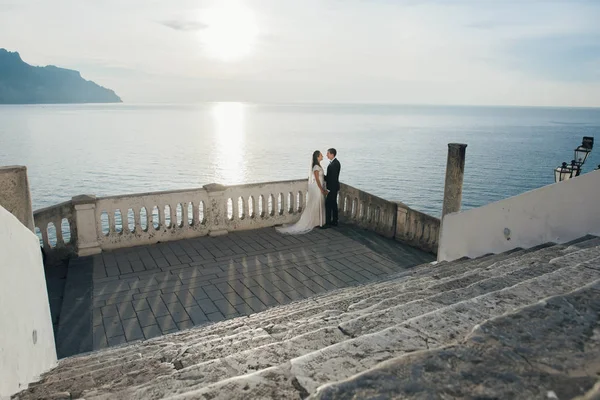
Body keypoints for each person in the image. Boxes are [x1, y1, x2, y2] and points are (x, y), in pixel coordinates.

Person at [276, 150, 328, 234]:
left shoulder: (318, 166)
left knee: (318, 204)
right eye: (321, 155)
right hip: (317, 188)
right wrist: (321, 189)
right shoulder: (315, 167)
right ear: (317, 157)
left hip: (319, 188)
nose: (323, 156)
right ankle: (311, 222)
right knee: (315, 204)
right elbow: (317, 180)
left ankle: (318, 222)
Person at [322, 148, 340, 228]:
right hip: (334, 187)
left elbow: (332, 179)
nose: (326, 155)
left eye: (328, 153)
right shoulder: (335, 163)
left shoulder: (334, 164)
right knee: (333, 204)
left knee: (328, 204)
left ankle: (328, 222)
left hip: (332, 188)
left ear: (332, 154)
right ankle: (334, 221)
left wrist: (328, 189)